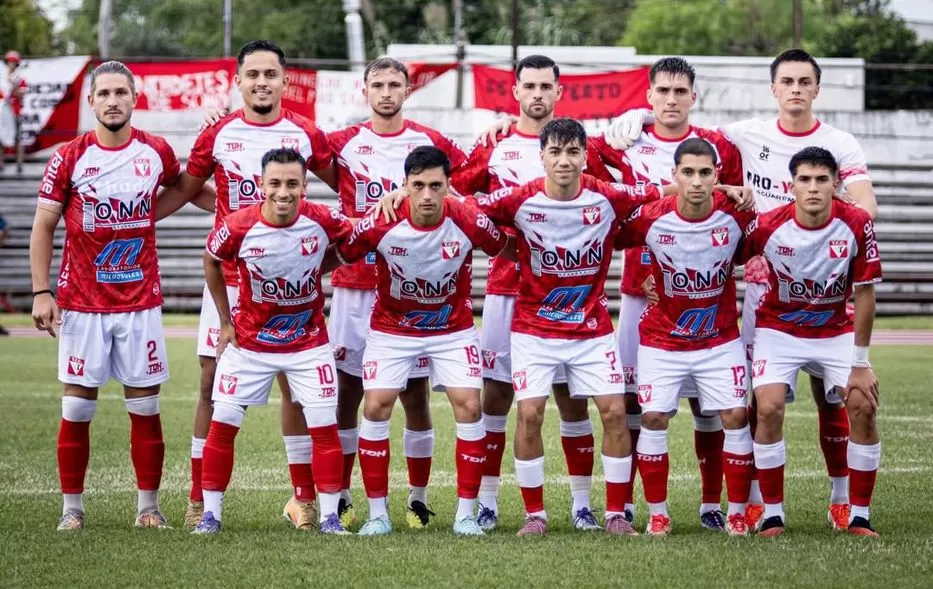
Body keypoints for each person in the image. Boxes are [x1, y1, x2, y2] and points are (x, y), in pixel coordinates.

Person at [607, 49, 878, 530]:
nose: (795, 89)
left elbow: (865, 209)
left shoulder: (840, 142)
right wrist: (640, 116)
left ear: (817, 88)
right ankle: (748, 501)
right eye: (786, 81)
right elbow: (683, 132)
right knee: (752, 401)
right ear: (773, 89)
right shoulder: (743, 134)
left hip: (817, 282)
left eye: (804, 81)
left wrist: (819, 223)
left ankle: (841, 500)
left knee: (831, 397)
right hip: (752, 286)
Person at [156, 40, 337, 531]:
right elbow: (189, 191)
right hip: (231, 283)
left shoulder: (305, 134)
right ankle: (199, 499)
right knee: (211, 385)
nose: (262, 82)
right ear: (238, 81)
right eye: (252, 74)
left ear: (284, 80)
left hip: (289, 284)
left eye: (270, 74)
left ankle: (302, 499)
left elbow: (348, 183)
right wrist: (135, 221)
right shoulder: (218, 132)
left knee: (296, 389)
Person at [449, 55, 617, 532]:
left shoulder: (578, 146)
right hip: (508, 292)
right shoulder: (494, 144)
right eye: (530, 85)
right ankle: (487, 503)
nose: (538, 93)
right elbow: (457, 195)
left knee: (573, 399)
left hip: (572, 296)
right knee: (501, 397)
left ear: (559, 91)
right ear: (516, 91)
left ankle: (582, 506)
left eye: (547, 85)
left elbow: (617, 195)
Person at [474, 118, 657, 537]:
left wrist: (725, 193)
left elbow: (663, 193)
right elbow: (466, 208)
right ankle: (534, 516)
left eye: (572, 152)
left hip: (591, 330)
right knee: (530, 413)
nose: (564, 161)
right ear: (541, 157)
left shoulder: (607, 196)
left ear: (584, 156)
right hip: (533, 329)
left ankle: (613, 514)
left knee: (613, 411)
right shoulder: (519, 198)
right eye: (555, 152)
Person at [591, 56, 745, 530]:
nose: (672, 100)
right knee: (639, 403)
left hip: (703, 296)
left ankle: (710, 505)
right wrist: (627, 122)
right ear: (650, 95)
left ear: (693, 96)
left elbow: (735, 197)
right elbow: (577, 160)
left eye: (681, 91)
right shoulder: (627, 141)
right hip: (643, 293)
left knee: (709, 406)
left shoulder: (717, 146)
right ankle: (635, 503)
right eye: (663, 91)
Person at [29, 61, 184, 530]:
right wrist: (40, 291)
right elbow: (43, 225)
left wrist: (230, 206)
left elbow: (182, 186)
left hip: (140, 303)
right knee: (77, 407)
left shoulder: (156, 151)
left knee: (146, 407)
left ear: (134, 99)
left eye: (122, 92)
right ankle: (72, 510)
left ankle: (148, 508)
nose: (113, 100)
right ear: (91, 102)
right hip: (81, 302)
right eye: (104, 93)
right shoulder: (70, 156)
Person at [335, 146, 507, 536]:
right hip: (392, 329)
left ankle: (465, 514)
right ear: (404, 187)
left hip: (452, 329)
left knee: (469, 406)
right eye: (418, 186)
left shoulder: (466, 218)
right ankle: (378, 514)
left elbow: (502, 246)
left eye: (435, 185)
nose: (427, 195)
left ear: (448, 186)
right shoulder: (383, 220)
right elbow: (344, 252)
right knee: (376, 406)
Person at [325, 57, 467, 529]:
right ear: (364, 90)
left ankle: (419, 500)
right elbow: (289, 149)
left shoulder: (430, 142)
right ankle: (343, 495)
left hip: (412, 285)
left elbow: (463, 183)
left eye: (394, 84)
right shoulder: (342, 143)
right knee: (350, 393)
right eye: (377, 85)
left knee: (416, 395)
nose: (386, 92)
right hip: (355, 285)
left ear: (408, 90)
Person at [193, 148, 354, 535]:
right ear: (261, 185)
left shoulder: (323, 220)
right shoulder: (238, 225)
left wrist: (320, 266)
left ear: (304, 186)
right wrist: (225, 320)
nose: (284, 192)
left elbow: (357, 240)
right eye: (276, 183)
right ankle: (211, 514)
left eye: (293, 184)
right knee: (224, 419)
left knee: (322, 423)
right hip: (250, 345)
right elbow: (211, 259)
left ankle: (330, 517)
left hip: (308, 344)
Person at [614, 138, 756, 536]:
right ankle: (658, 514)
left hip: (719, 337)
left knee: (734, 415)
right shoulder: (652, 216)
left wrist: (744, 195)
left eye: (705, 173)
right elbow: (609, 230)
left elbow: (770, 233)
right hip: (662, 338)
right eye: (688, 173)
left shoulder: (737, 214)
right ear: (674, 176)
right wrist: (642, 276)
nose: (696, 181)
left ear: (717, 176)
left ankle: (736, 513)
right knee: (654, 417)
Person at [740, 147, 882, 537]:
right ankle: (771, 513)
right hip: (778, 330)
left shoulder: (856, 223)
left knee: (862, 405)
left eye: (822, 180)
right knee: (767, 408)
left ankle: (857, 514)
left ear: (836, 185)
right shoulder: (768, 225)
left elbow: (865, 294)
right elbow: (720, 255)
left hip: (835, 330)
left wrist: (861, 361)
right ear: (791, 186)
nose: (814, 188)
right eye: (805, 180)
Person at [1, 50, 27, 174]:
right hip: (3, 113)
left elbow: (21, 96)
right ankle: (1, 164)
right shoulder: (2, 77)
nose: (11, 64)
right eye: (9, 62)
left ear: (17, 64)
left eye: (13, 62)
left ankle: (19, 165)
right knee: (1, 138)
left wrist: (12, 83)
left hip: (15, 112)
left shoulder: (19, 78)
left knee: (17, 139)